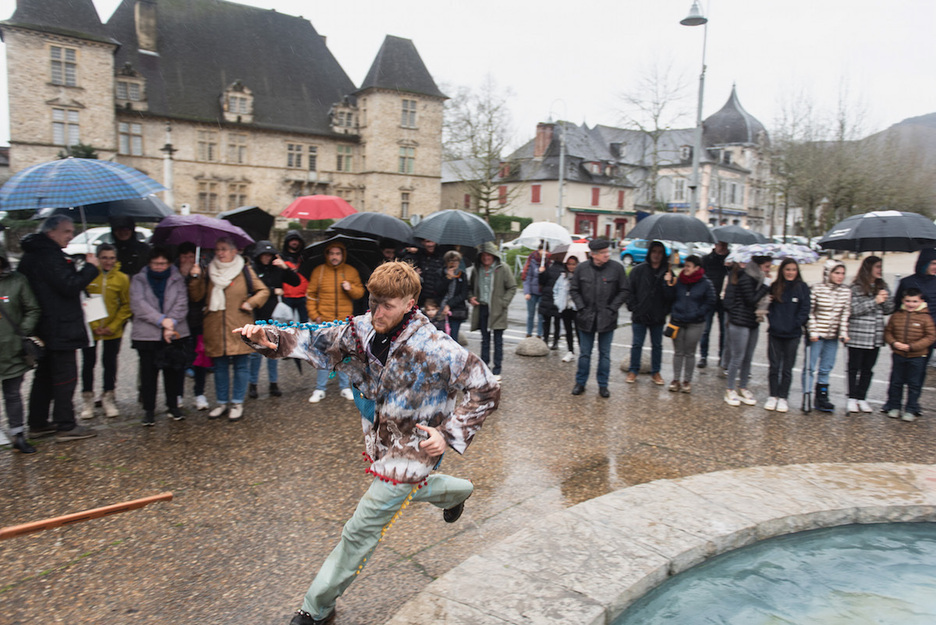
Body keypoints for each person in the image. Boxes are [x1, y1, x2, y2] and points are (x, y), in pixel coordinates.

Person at [235, 261, 499, 625]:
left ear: (410, 302)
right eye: (373, 301)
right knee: (407, 492)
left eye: (387, 305)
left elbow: (486, 388)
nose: (376, 312)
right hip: (381, 442)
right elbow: (314, 338)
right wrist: (270, 339)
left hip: (415, 449)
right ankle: (457, 492)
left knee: (362, 527)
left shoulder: (437, 347)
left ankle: (317, 607)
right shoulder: (360, 330)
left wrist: (448, 433)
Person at [18, 215, 100, 441]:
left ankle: (38, 422)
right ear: (51, 233)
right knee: (65, 377)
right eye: (66, 231)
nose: (71, 235)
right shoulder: (48, 255)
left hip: (44, 326)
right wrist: (90, 269)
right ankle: (66, 425)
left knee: (44, 376)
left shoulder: (34, 254)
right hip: (59, 326)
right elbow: (68, 285)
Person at [185, 237, 269, 421]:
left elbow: (263, 291)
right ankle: (222, 403)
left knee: (241, 365)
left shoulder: (244, 269)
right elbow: (197, 296)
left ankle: (237, 402)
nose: (219, 253)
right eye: (217, 249)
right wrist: (195, 277)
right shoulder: (208, 271)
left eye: (223, 249)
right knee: (220, 366)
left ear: (234, 251)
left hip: (239, 324)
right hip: (214, 326)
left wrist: (250, 303)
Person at [130, 248, 191, 425]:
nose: (159, 267)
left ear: (169, 264)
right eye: (155, 263)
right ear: (149, 263)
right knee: (148, 374)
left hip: (175, 332)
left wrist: (170, 323)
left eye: (163, 263)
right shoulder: (139, 279)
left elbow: (181, 303)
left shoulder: (177, 278)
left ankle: (173, 406)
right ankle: (149, 410)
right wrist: (161, 321)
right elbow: (138, 304)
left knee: (173, 371)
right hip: (147, 335)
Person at [305, 240, 364, 403]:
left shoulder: (351, 271)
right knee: (323, 355)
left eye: (337, 253)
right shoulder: (319, 271)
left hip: (344, 322)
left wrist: (350, 288)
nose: (334, 257)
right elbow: (310, 295)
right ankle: (320, 388)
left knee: (344, 355)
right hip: (324, 321)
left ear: (342, 255)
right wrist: (314, 314)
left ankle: (345, 387)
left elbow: (360, 293)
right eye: (331, 253)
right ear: (327, 255)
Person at [570, 239, 628, 397]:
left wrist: (611, 308)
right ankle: (580, 383)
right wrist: (581, 308)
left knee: (605, 354)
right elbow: (574, 289)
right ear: (594, 255)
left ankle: (603, 385)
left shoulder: (617, 268)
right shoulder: (582, 268)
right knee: (585, 353)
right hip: (586, 318)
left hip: (606, 318)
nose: (607, 255)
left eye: (608, 252)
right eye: (603, 253)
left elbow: (624, 290)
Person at [80, 243, 132, 419]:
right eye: (104, 258)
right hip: (91, 328)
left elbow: (126, 305)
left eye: (111, 258)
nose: (108, 261)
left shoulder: (122, 278)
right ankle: (87, 398)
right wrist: (94, 326)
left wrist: (114, 325)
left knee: (109, 363)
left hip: (112, 329)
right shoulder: (89, 276)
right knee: (88, 363)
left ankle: (108, 396)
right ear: (98, 258)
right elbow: (83, 300)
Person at [0, 248, 41, 453]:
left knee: (13, 394)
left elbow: (32, 308)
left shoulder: (17, 281)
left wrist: (21, 332)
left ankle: (18, 434)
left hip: (12, 348)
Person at [247, 241, 301, 399]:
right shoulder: (252, 270)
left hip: (274, 316)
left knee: (273, 350)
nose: (266, 258)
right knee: (256, 353)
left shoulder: (278, 269)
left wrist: (285, 267)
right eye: (263, 255)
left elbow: (296, 282)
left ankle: (273, 383)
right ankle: (253, 384)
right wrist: (272, 291)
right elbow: (252, 290)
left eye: (269, 255)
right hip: (257, 315)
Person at [846, 256, 895, 413]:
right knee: (854, 368)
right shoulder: (855, 287)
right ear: (868, 268)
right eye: (877, 266)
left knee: (868, 369)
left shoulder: (883, 285)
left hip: (875, 336)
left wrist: (884, 298)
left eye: (881, 266)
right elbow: (853, 310)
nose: (880, 269)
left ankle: (862, 397)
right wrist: (875, 301)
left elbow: (889, 309)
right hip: (858, 335)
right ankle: (852, 397)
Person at [723, 256, 772, 407]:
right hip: (739, 321)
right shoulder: (746, 276)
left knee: (748, 357)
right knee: (737, 356)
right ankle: (730, 388)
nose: (768, 269)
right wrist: (765, 285)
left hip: (752, 322)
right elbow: (751, 300)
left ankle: (743, 386)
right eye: (766, 266)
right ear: (758, 265)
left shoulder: (759, 277)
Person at [663, 254, 716, 393]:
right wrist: (668, 284)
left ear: (697, 268)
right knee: (678, 352)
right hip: (678, 321)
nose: (685, 268)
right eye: (684, 265)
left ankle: (687, 381)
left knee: (689, 353)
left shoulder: (706, 283)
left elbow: (710, 301)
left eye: (688, 266)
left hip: (695, 322)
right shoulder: (679, 280)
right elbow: (669, 298)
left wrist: (698, 313)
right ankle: (675, 379)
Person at [765, 259, 811, 413]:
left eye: (793, 269)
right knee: (774, 366)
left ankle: (783, 396)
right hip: (775, 333)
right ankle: (773, 395)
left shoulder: (802, 288)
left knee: (787, 367)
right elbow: (768, 307)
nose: (790, 272)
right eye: (787, 269)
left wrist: (795, 324)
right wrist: (774, 322)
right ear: (782, 271)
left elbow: (805, 309)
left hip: (793, 334)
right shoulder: (775, 287)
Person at [882, 288, 935, 421]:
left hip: (917, 356)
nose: (911, 304)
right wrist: (894, 343)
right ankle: (895, 406)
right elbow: (888, 331)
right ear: (903, 301)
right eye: (908, 301)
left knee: (914, 383)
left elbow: (930, 337)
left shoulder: (926, 318)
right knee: (896, 382)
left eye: (914, 301)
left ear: (921, 301)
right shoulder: (897, 315)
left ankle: (911, 408)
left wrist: (911, 347)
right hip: (898, 354)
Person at [808, 259, 851, 412]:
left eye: (842, 273)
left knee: (826, 367)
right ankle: (807, 394)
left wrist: (843, 333)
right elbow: (810, 311)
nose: (840, 276)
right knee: (810, 367)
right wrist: (813, 331)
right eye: (837, 273)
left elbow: (845, 314)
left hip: (832, 336)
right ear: (828, 273)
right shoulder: (817, 288)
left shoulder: (846, 291)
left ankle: (822, 395)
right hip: (817, 334)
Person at [469, 242, 517, 381]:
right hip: (483, 308)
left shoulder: (503, 268)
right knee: (485, 340)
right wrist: (470, 297)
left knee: (498, 341)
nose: (486, 257)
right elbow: (470, 287)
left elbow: (512, 287)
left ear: (493, 255)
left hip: (497, 310)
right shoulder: (477, 269)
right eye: (483, 255)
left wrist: (503, 303)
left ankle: (497, 369)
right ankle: (484, 368)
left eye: (488, 254)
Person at [624, 240, 670, 384]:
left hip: (658, 315)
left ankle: (655, 372)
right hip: (640, 314)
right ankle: (633, 370)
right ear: (649, 253)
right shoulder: (639, 270)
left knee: (657, 345)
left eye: (660, 252)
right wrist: (633, 307)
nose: (656, 255)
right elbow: (629, 290)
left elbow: (671, 297)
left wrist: (669, 283)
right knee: (637, 344)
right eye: (654, 252)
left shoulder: (667, 272)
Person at [176, 242, 210, 411]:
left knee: (199, 360)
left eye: (191, 256)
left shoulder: (202, 272)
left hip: (198, 322)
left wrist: (195, 278)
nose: (188, 260)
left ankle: (199, 393)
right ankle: (177, 394)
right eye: (184, 257)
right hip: (179, 323)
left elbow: (199, 297)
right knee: (179, 360)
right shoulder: (174, 273)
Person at [895, 247, 936, 368]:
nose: (935, 267)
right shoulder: (907, 282)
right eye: (933, 263)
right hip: (907, 332)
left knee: (920, 370)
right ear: (924, 263)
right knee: (902, 371)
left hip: (928, 334)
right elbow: (897, 306)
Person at [699, 241, 729, 369]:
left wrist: (730, 266)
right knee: (705, 329)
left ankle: (722, 356)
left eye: (724, 245)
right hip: (709, 299)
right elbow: (701, 277)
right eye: (719, 245)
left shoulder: (730, 260)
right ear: (715, 245)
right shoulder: (706, 259)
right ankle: (703, 356)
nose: (721, 247)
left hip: (724, 300)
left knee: (724, 330)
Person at [539, 252, 569, 351]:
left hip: (547, 297)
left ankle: (545, 339)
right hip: (559, 299)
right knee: (557, 322)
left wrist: (541, 273)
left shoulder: (548, 268)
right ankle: (555, 341)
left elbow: (541, 282)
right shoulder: (564, 271)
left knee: (546, 321)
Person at [437, 250, 469, 341]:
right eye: (451, 261)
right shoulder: (440, 273)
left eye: (456, 261)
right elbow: (438, 290)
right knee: (441, 338)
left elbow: (463, 294)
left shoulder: (462, 275)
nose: (454, 263)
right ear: (446, 262)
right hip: (440, 309)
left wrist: (449, 305)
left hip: (456, 310)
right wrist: (448, 278)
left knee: (453, 338)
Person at [280, 230, 310, 323]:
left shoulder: (305, 257)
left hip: (303, 295)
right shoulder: (281, 258)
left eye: (297, 240)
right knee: (287, 325)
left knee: (305, 324)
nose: (294, 242)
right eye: (292, 240)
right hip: (287, 295)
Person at [521, 244, 548, 338]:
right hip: (532, 292)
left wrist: (543, 272)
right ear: (539, 250)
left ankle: (539, 334)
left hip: (542, 293)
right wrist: (527, 292)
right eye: (543, 250)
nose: (545, 253)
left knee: (541, 316)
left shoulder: (548, 261)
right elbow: (527, 277)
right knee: (530, 314)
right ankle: (529, 332)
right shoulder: (531, 260)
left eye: (546, 251)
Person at [413, 239, 446, 307]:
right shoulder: (419, 255)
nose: (430, 244)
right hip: (420, 295)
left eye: (432, 241)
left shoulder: (442, 256)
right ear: (423, 243)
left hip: (435, 296)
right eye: (427, 242)